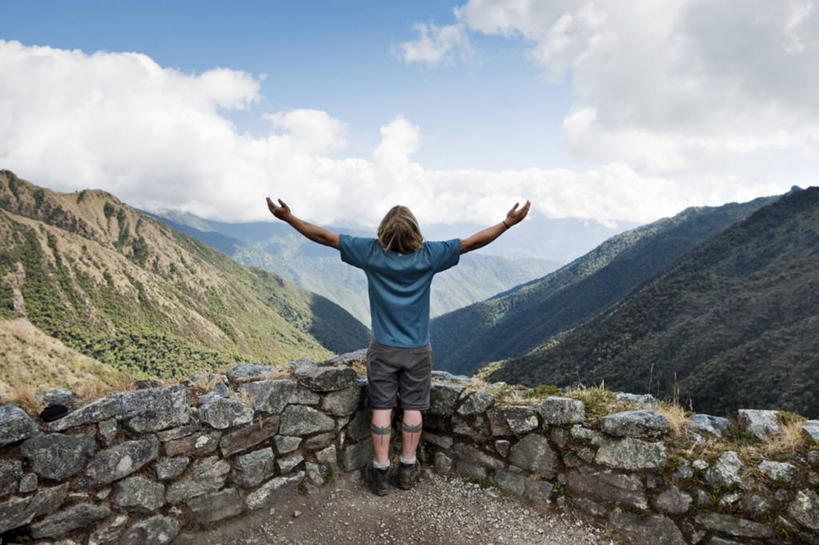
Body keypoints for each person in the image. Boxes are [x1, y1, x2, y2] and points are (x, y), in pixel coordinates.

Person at [266, 197, 531, 495]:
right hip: (417, 349)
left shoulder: (370, 252)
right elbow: (471, 243)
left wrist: (289, 218)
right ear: (416, 232)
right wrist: (507, 223)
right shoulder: (431, 255)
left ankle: (380, 471)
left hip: (382, 349)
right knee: (413, 408)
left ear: (384, 232)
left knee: (381, 407)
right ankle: (407, 468)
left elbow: (323, 237)